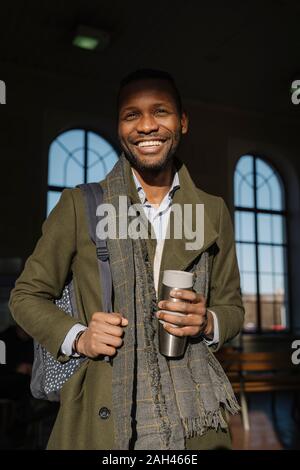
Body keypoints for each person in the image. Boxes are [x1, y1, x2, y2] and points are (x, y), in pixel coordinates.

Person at [9, 69, 244, 450]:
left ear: (182, 122)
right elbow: (25, 296)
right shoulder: (81, 204)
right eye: (131, 115)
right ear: (119, 127)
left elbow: (232, 307)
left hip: (194, 418)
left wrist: (208, 320)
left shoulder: (212, 212)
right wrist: (79, 336)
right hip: (103, 411)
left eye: (160, 111)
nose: (146, 125)